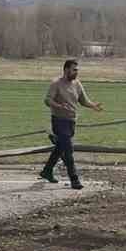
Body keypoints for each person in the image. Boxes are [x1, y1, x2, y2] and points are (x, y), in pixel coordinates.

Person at [41, 57, 103, 190]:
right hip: (59, 121)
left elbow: (83, 101)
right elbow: (47, 100)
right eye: (74, 70)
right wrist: (58, 106)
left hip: (71, 121)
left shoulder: (77, 84)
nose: (76, 72)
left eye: (77, 70)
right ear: (66, 70)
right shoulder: (56, 83)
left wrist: (93, 106)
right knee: (68, 150)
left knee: (60, 148)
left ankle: (46, 171)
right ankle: (74, 179)